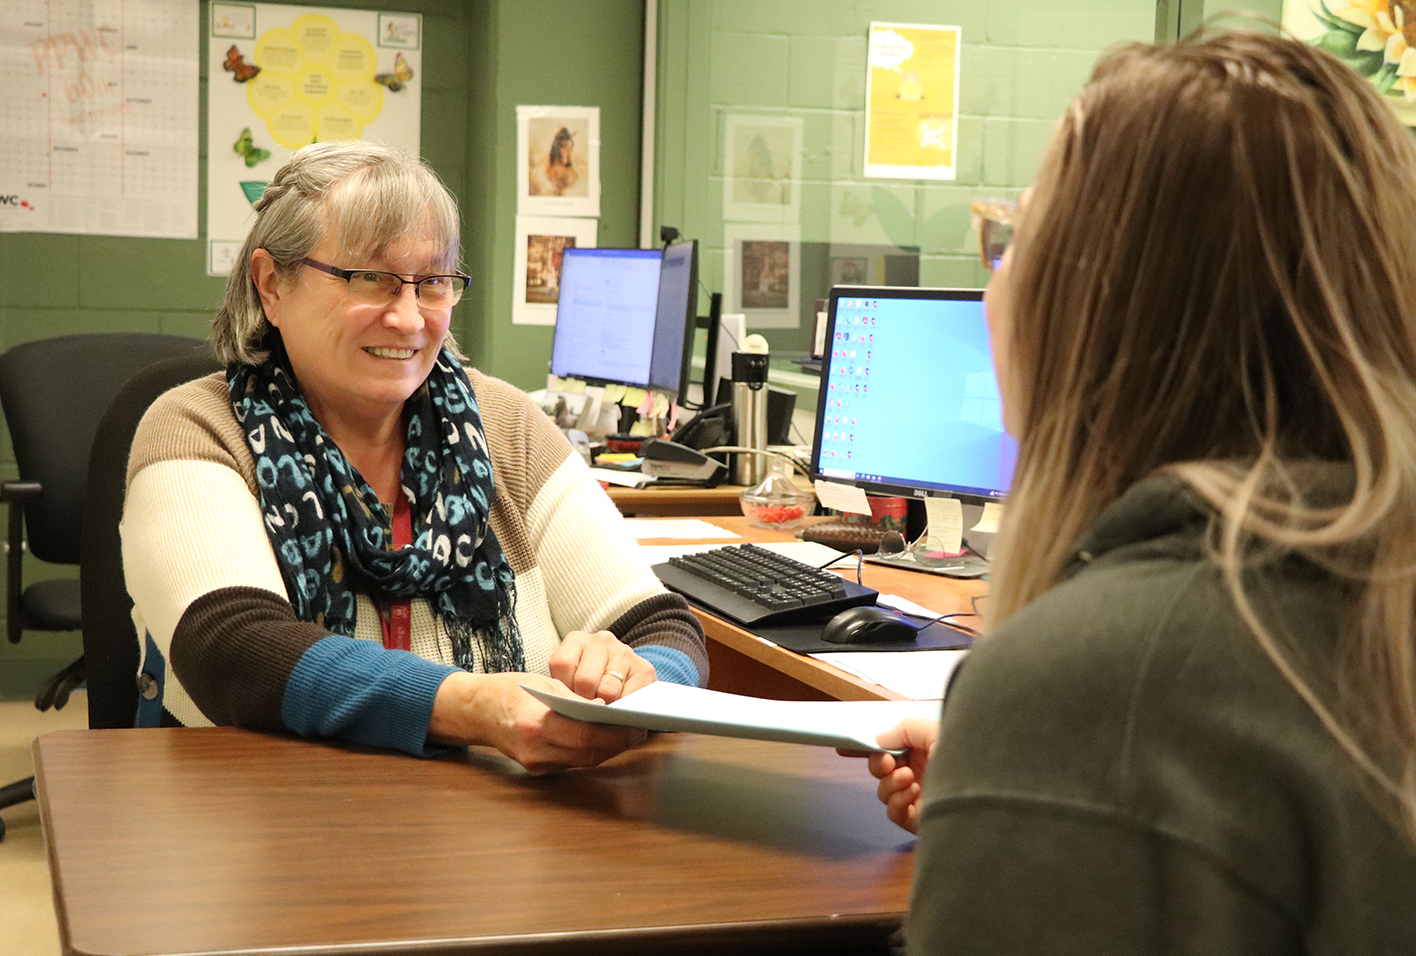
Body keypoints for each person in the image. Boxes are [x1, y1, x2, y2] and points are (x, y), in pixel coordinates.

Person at [859, 30, 1416, 951]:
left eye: (1011, 240)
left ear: (1096, 307)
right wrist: (1038, 814)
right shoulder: (1352, 604)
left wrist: (1052, 763)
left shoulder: (1096, 687)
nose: (994, 285)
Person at [122, 141, 707, 773]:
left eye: (431, 283)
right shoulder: (199, 429)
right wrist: (477, 707)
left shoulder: (508, 428)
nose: (407, 318)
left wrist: (636, 681)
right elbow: (233, 647)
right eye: (369, 278)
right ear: (272, 286)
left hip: (496, 833)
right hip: (261, 822)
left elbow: (663, 624)